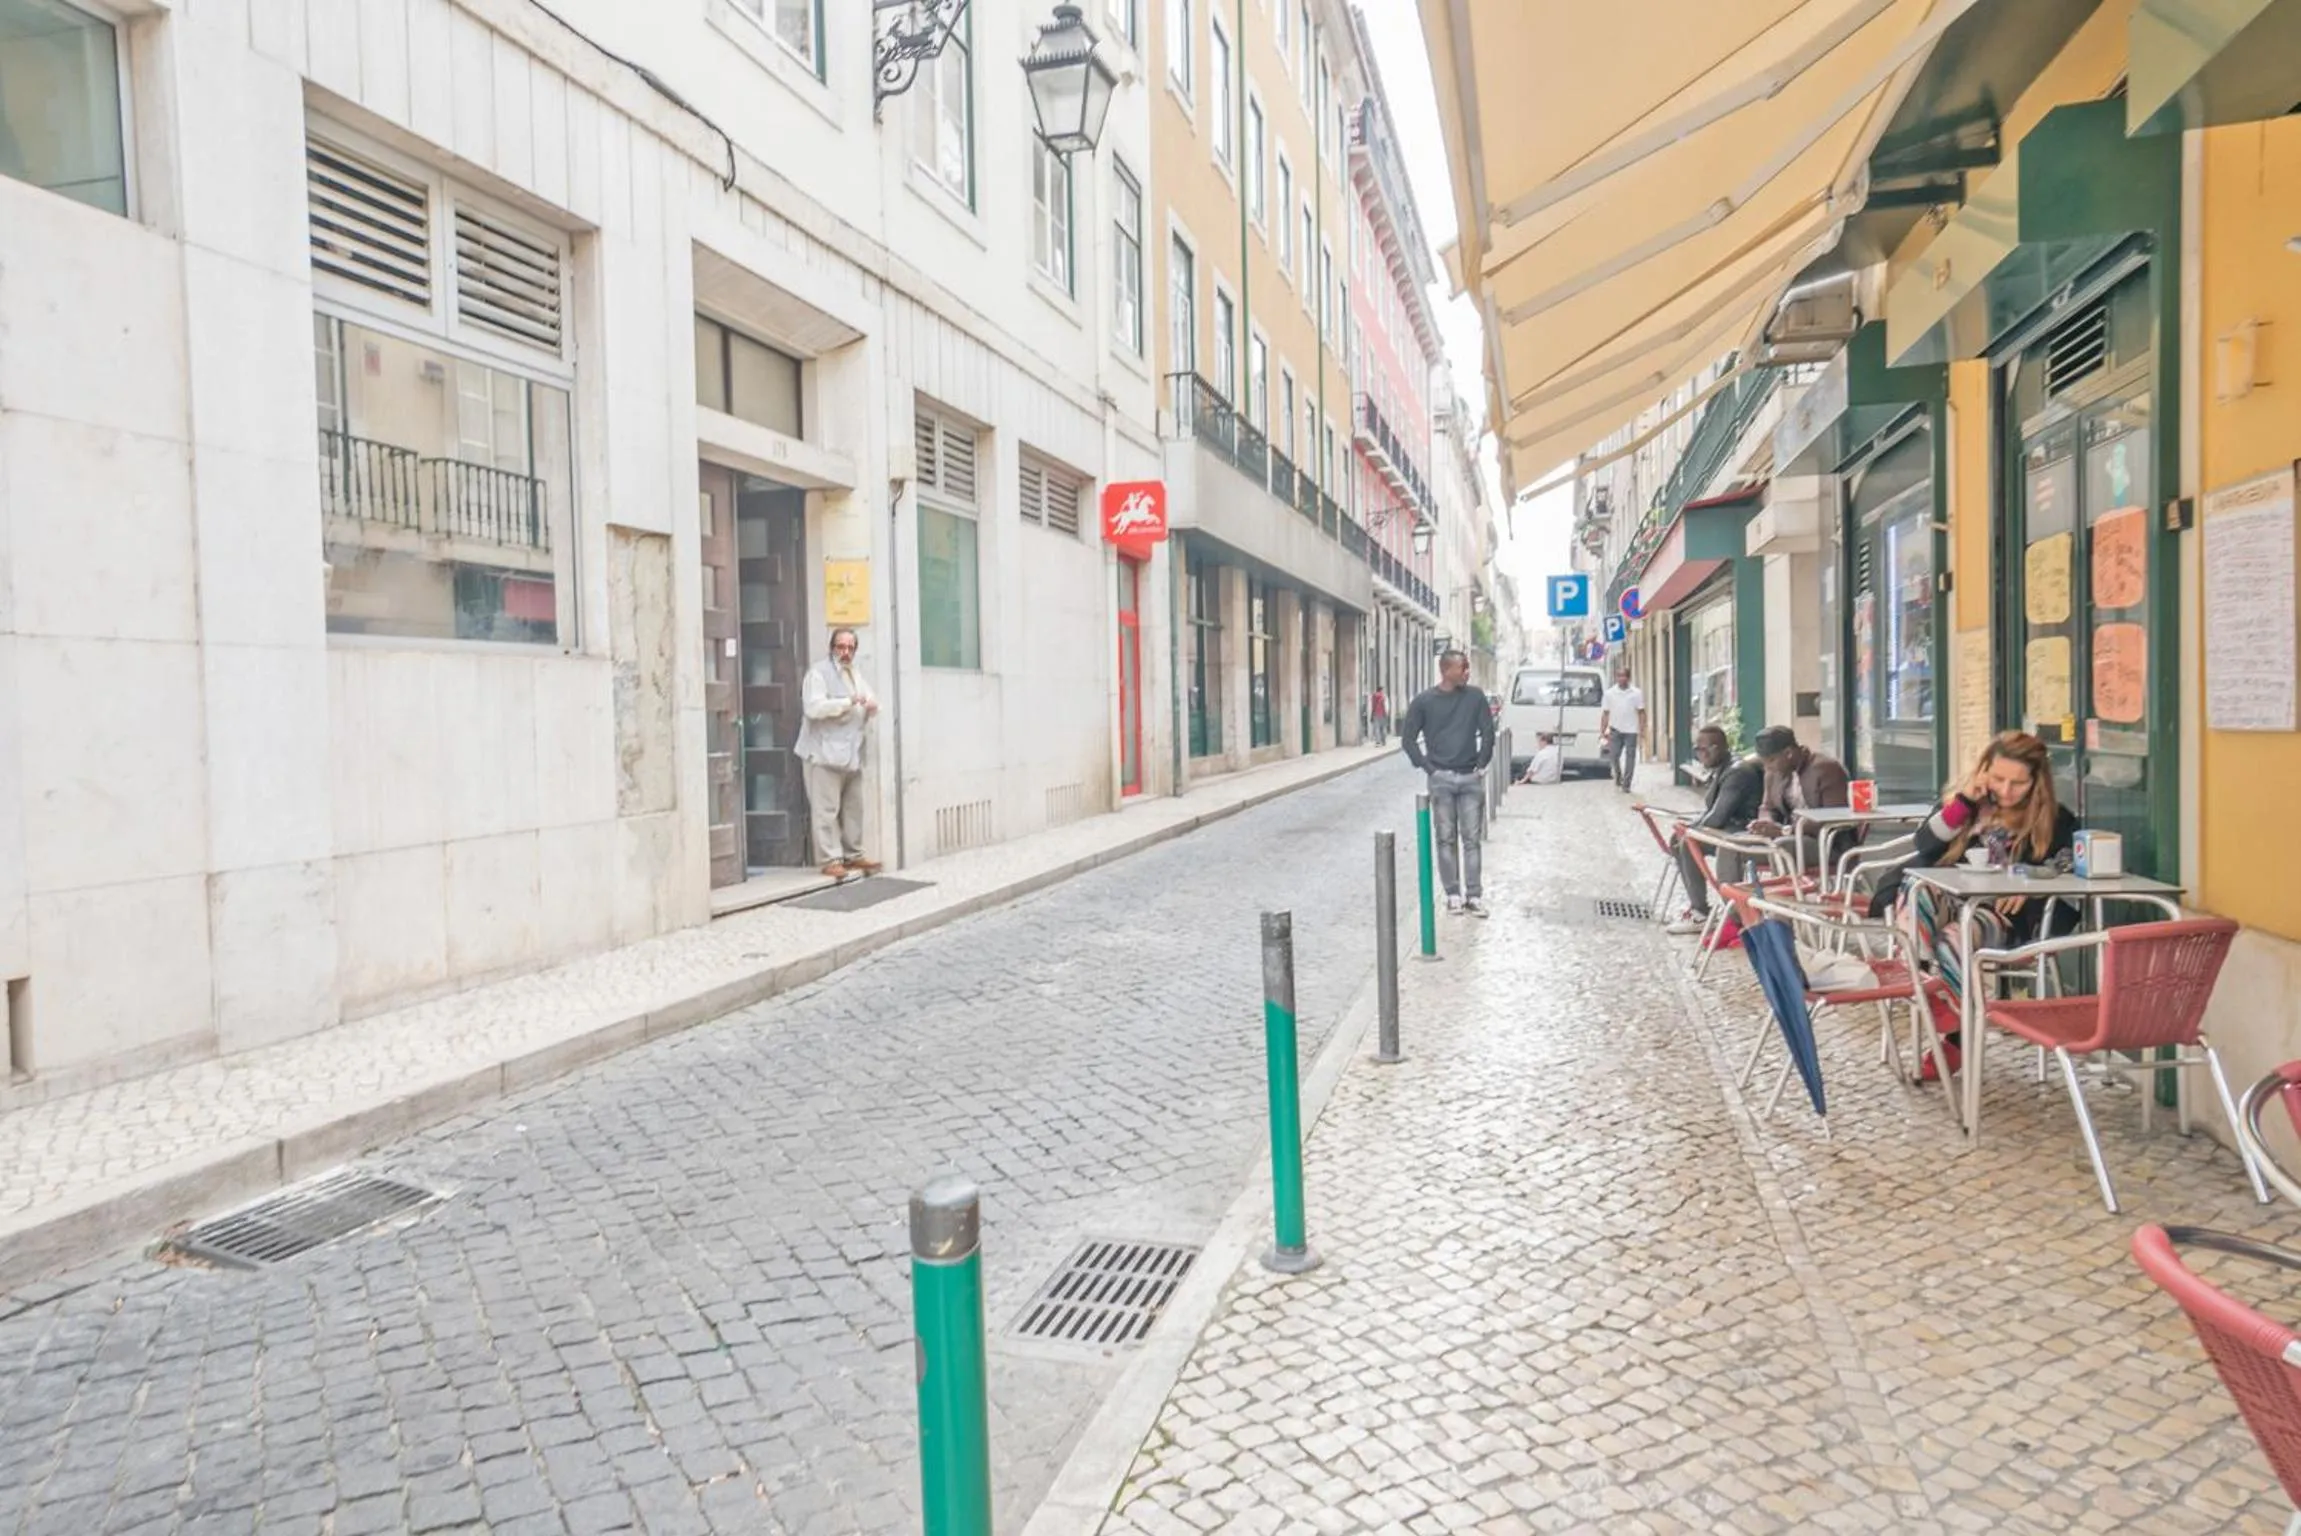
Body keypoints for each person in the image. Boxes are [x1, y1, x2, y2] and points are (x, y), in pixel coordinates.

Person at [1870, 731, 2078, 1081]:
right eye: (1998, 778)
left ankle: (1956, 1032)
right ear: (1984, 771)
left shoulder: (2055, 820)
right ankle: (1930, 990)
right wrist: (1965, 801)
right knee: (1917, 890)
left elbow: (2067, 866)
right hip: (1948, 901)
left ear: (2036, 783)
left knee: (1954, 936)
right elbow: (1925, 843)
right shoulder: (1964, 806)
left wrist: (2030, 884)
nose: (2006, 790)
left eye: (2018, 783)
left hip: (2002, 917)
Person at [1399, 649, 1496, 918]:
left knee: (1472, 839)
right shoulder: (1424, 701)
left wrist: (1481, 764)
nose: (1467, 672)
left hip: (1469, 778)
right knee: (1445, 838)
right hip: (1440, 778)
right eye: (1463, 667)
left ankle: (1474, 896)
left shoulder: (1475, 697)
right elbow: (1408, 740)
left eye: (1467, 667)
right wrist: (1428, 767)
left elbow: (1488, 731)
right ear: (1446, 670)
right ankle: (1453, 894)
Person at [1664, 726, 1766, 937]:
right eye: (1697, 750)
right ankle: (1697, 906)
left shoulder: (1737, 772)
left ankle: (1700, 912)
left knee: (1687, 842)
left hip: (1741, 832)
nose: (1700, 755)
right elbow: (1712, 812)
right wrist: (1690, 827)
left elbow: (1718, 816)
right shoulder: (1724, 768)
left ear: (1719, 748)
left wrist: (1691, 831)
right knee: (1680, 839)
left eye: (1704, 749)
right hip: (1730, 828)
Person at [796, 627, 880, 880]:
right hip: (823, 752)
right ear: (832, 647)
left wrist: (872, 705)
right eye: (840, 647)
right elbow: (813, 708)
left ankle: (854, 854)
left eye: (850, 648)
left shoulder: (855, 673)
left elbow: (869, 698)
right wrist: (847, 703)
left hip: (851, 752)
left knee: (854, 807)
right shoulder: (818, 673)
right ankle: (830, 859)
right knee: (826, 809)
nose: (845, 652)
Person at [1750, 725, 1851, 869]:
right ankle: (1729, 890)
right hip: (1786, 836)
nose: (1767, 767)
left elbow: (1833, 817)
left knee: (1783, 847)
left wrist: (1785, 830)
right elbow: (1767, 807)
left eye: (1771, 760)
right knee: (1732, 846)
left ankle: (1783, 891)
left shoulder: (1826, 768)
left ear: (1789, 753)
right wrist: (1765, 824)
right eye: (1763, 762)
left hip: (1825, 843)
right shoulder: (1774, 773)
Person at [1599, 666, 1645, 793]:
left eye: (1624, 676)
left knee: (1630, 757)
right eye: (1619, 676)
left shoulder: (1636, 693)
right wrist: (1602, 730)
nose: (1621, 678)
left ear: (1628, 678)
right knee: (1614, 756)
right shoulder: (1609, 694)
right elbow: (1606, 713)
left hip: (1631, 730)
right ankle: (1618, 775)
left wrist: (1642, 729)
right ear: (1616, 678)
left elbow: (1641, 712)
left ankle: (1627, 784)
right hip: (1615, 729)